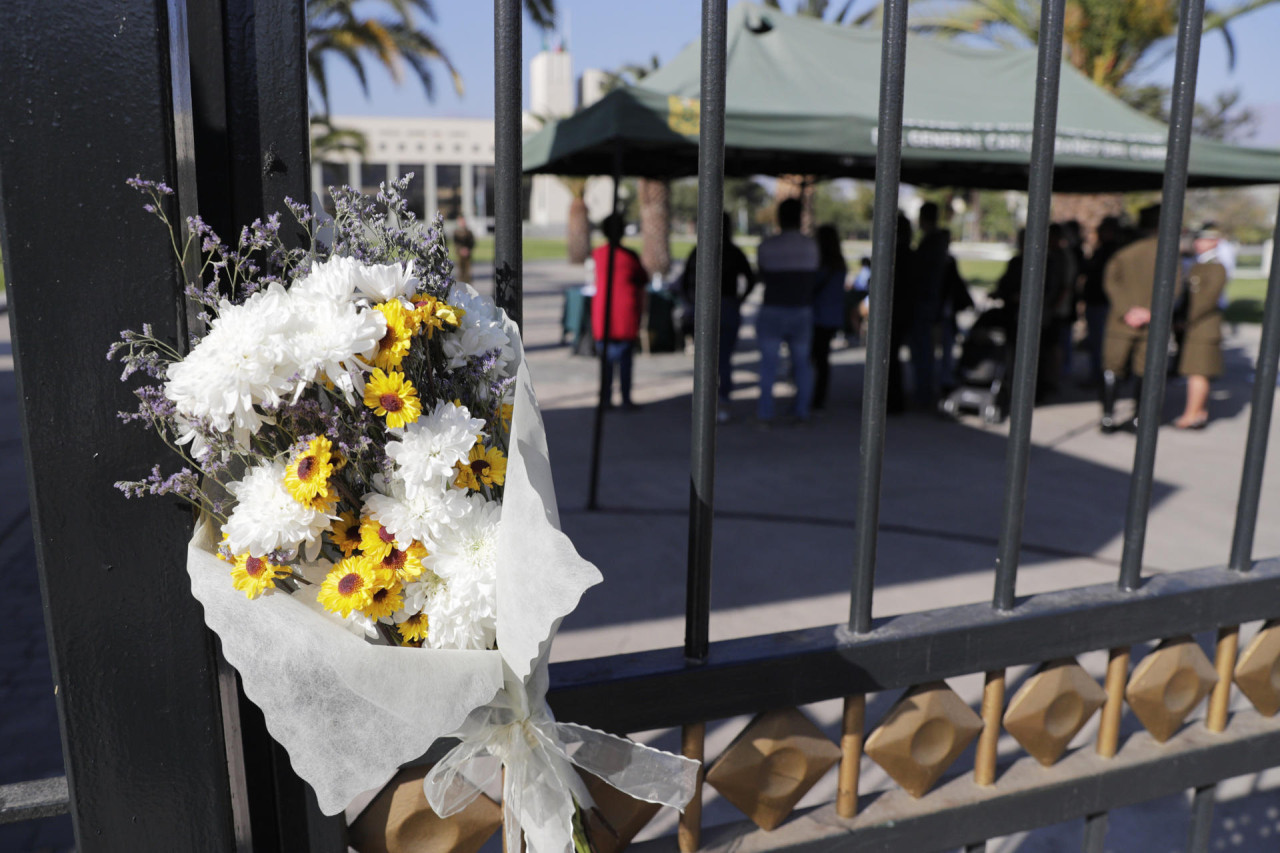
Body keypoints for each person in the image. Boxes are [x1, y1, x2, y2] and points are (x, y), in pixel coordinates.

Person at [678, 212, 756, 422]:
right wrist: (739, 299)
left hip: (716, 306)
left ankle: (711, 401)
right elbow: (750, 278)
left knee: (708, 358)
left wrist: (692, 302)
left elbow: (684, 282)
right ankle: (722, 401)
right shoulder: (732, 251)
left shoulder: (700, 251)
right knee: (723, 358)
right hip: (725, 305)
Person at [752, 197, 820, 424]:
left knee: (768, 364)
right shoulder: (810, 246)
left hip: (773, 308)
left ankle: (765, 412)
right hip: (801, 309)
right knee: (802, 363)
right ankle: (802, 411)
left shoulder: (767, 245)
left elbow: (762, 274)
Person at [1101, 204, 1164, 433]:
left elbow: (1110, 280)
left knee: (1113, 367)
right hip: (1148, 320)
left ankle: (1107, 417)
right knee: (1144, 368)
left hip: (1122, 319)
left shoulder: (1124, 249)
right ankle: (1139, 418)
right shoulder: (1165, 250)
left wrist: (1128, 309)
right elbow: (1174, 287)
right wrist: (1148, 311)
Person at [591, 214, 648, 410]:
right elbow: (643, 278)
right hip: (624, 313)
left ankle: (606, 399)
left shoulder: (598, 254)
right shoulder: (629, 256)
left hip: (604, 314)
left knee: (606, 362)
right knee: (624, 361)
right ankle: (625, 398)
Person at [1175, 230, 1229, 429]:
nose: (1199, 243)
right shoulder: (1200, 263)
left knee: (1197, 373)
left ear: (1215, 241)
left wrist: (1185, 320)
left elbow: (1206, 299)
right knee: (1196, 372)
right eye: (1198, 239)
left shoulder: (1215, 266)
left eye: (1204, 239)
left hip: (1203, 327)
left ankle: (1191, 415)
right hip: (1196, 326)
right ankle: (1198, 413)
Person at [910, 202, 955, 407]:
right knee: (926, 349)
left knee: (924, 350)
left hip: (926, 303)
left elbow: (922, 274)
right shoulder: (937, 241)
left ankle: (924, 394)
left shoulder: (932, 242)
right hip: (931, 302)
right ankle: (925, 391)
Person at [1081, 216, 1122, 386]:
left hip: (1103, 303)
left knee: (1101, 343)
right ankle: (1099, 376)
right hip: (1096, 302)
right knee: (1096, 341)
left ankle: (1102, 378)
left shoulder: (1112, 252)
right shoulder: (1102, 250)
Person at [811, 225, 847, 411]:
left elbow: (813, 286)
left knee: (813, 358)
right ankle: (819, 397)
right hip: (832, 317)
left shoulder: (821, 264)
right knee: (823, 358)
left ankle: (812, 397)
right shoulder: (840, 263)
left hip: (818, 316)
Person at [452, 217, 475, 283]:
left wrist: (468, 249)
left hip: (468, 255)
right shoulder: (456, 232)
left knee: (468, 272)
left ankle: (468, 286)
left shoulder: (469, 232)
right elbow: (456, 243)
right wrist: (461, 250)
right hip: (460, 255)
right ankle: (461, 287)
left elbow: (472, 242)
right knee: (461, 272)